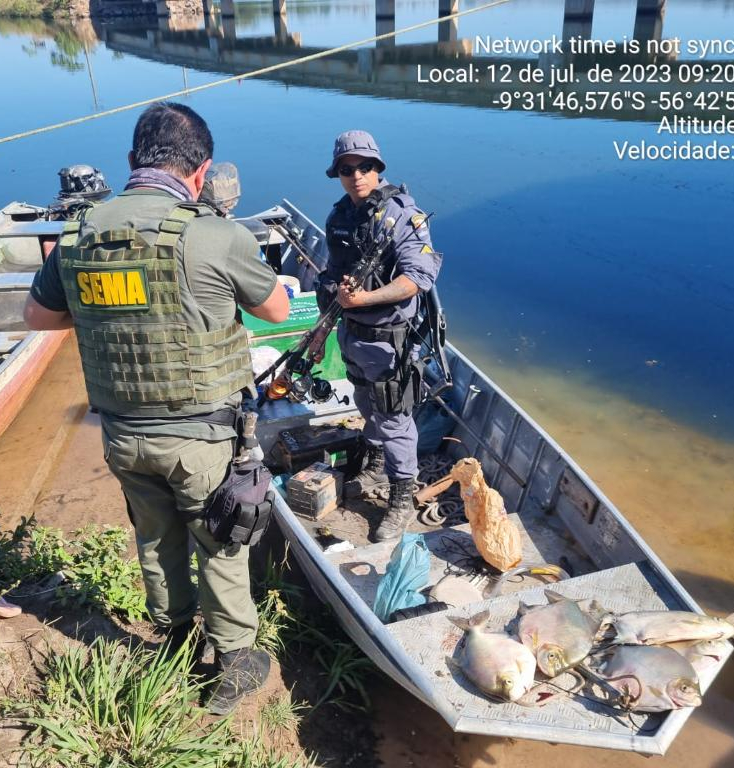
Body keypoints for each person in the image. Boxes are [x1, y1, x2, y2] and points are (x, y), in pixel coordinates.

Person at [22, 102, 290, 715]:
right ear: (201, 172)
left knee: (154, 535)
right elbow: (276, 311)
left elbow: (38, 318)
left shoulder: (80, 233)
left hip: (121, 435)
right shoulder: (216, 233)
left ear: (131, 163)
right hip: (200, 436)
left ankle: (171, 637)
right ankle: (232, 659)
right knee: (220, 539)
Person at [315, 130, 442, 543]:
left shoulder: (404, 215)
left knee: (394, 418)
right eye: (348, 169)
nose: (357, 176)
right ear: (338, 174)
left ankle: (402, 496)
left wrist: (366, 297)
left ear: (378, 169)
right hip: (352, 335)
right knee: (365, 402)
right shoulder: (339, 218)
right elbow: (332, 272)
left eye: (365, 167)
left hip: (390, 340)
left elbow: (418, 277)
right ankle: (372, 460)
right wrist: (332, 297)